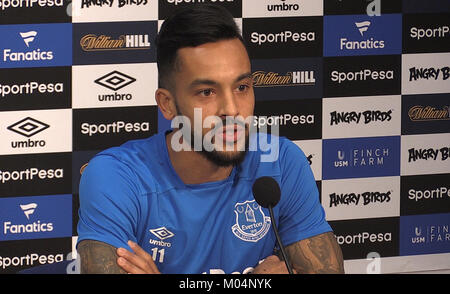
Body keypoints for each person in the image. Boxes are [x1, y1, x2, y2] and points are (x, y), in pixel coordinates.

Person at [76, 4, 344, 274]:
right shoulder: (117, 176)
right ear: (167, 104)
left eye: (242, 87)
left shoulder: (282, 162)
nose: (231, 109)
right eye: (206, 92)